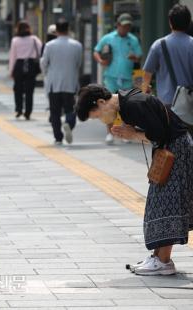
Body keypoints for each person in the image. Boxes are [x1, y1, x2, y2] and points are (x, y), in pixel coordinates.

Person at [75, 84, 193, 276]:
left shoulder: (132, 104)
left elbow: (159, 133)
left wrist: (133, 134)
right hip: (170, 150)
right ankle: (157, 258)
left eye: (97, 116)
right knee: (159, 203)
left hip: (176, 150)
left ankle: (164, 261)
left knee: (168, 204)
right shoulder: (127, 103)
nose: (101, 121)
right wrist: (133, 133)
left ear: (102, 102)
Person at [93, 13, 142, 144]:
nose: (126, 29)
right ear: (118, 25)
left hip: (126, 78)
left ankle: (126, 133)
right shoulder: (108, 38)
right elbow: (96, 50)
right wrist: (101, 61)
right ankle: (109, 133)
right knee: (108, 106)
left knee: (126, 107)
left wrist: (135, 57)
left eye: (128, 26)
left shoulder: (133, 39)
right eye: (124, 26)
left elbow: (139, 55)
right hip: (111, 77)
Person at [142, 4, 193, 106]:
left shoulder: (159, 45)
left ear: (170, 22)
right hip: (190, 104)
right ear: (189, 22)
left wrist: (145, 90)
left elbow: (147, 74)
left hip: (166, 104)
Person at [41, 20, 82, 145]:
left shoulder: (50, 45)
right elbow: (78, 64)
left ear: (56, 30)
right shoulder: (77, 45)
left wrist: (47, 73)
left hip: (54, 84)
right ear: (68, 29)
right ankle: (69, 123)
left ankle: (58, 138)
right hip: (70, 83)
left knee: (55, 112)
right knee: (70, 109)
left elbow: (44, 63)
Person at [9, 20, 42, 120]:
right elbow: (41, 51)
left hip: (19, 65)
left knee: (17, 89)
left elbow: (12, 57)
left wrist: (11, 71)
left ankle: (19, 109)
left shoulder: (15, 40)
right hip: (31, 65)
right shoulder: (34, 39)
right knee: (29, 90)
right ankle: (28, 112)